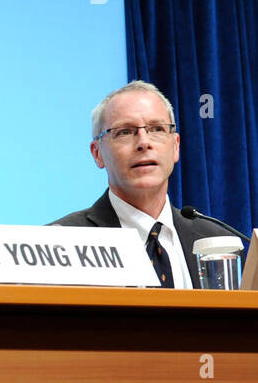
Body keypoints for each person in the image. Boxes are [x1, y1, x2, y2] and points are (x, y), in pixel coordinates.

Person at [51, 81, 231, 288]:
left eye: (157, 129)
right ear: (97, 153)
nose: (144, 142)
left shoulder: (216, 242)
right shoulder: (62, 243)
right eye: (125, 132)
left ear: (175, 146)